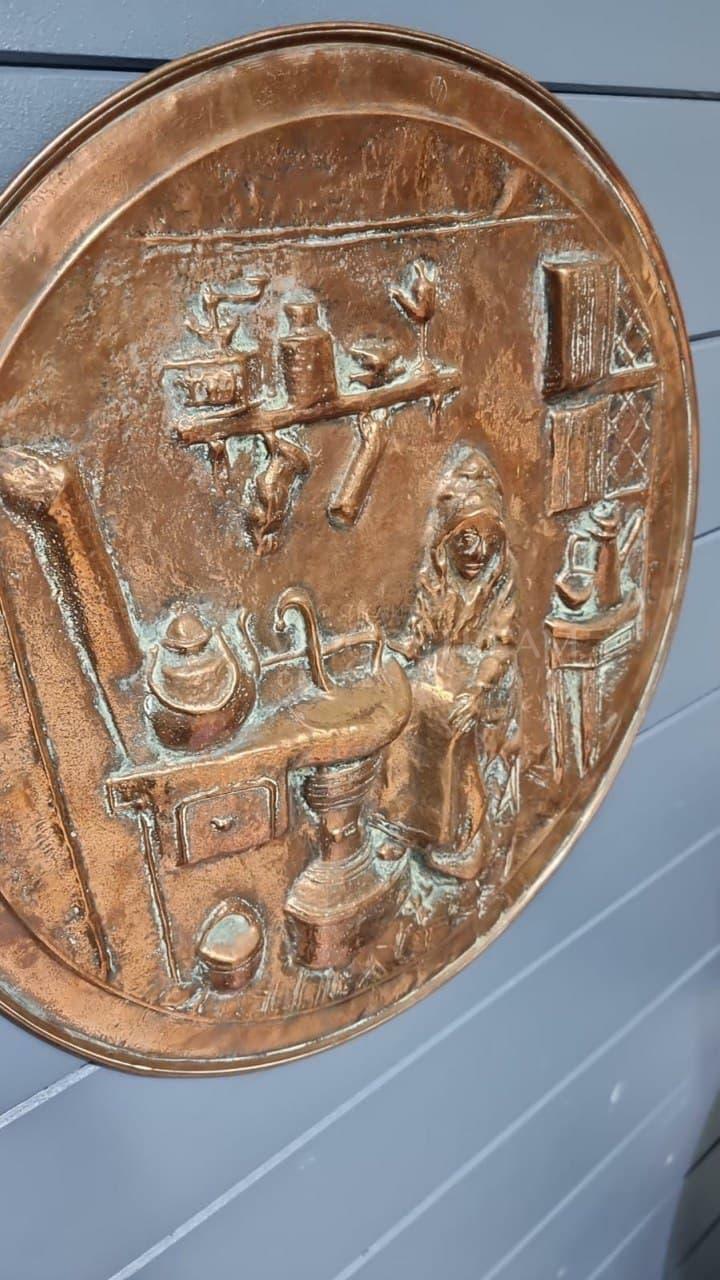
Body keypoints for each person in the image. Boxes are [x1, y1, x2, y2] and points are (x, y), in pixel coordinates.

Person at [375, 445, 522, 880]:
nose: (476, 553)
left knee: (449, 727)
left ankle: (459, 838)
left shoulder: (502, 578)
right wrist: (393, 648)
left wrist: (477, 692)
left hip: (484, 681)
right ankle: (402, 826)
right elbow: (420, 633)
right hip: (439, 670)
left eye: (487, 541)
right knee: (407, 715)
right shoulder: (436, 576)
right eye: (466, 540)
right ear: (448, 540)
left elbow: (501, 647)